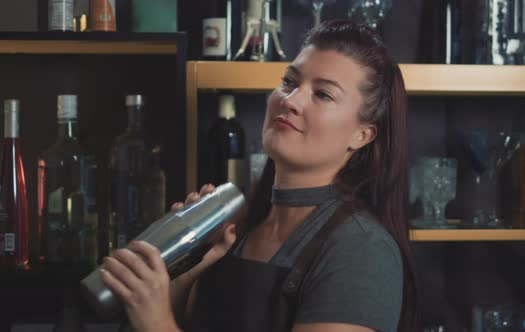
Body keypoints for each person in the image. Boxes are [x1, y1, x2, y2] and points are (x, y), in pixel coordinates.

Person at [99, 20, 417, 332]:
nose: (289, 101)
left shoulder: (361, 250)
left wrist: (155, 323)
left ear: (362, 135)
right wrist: (178, 279)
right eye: (289, 82)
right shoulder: (238, 229)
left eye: (323, 94)